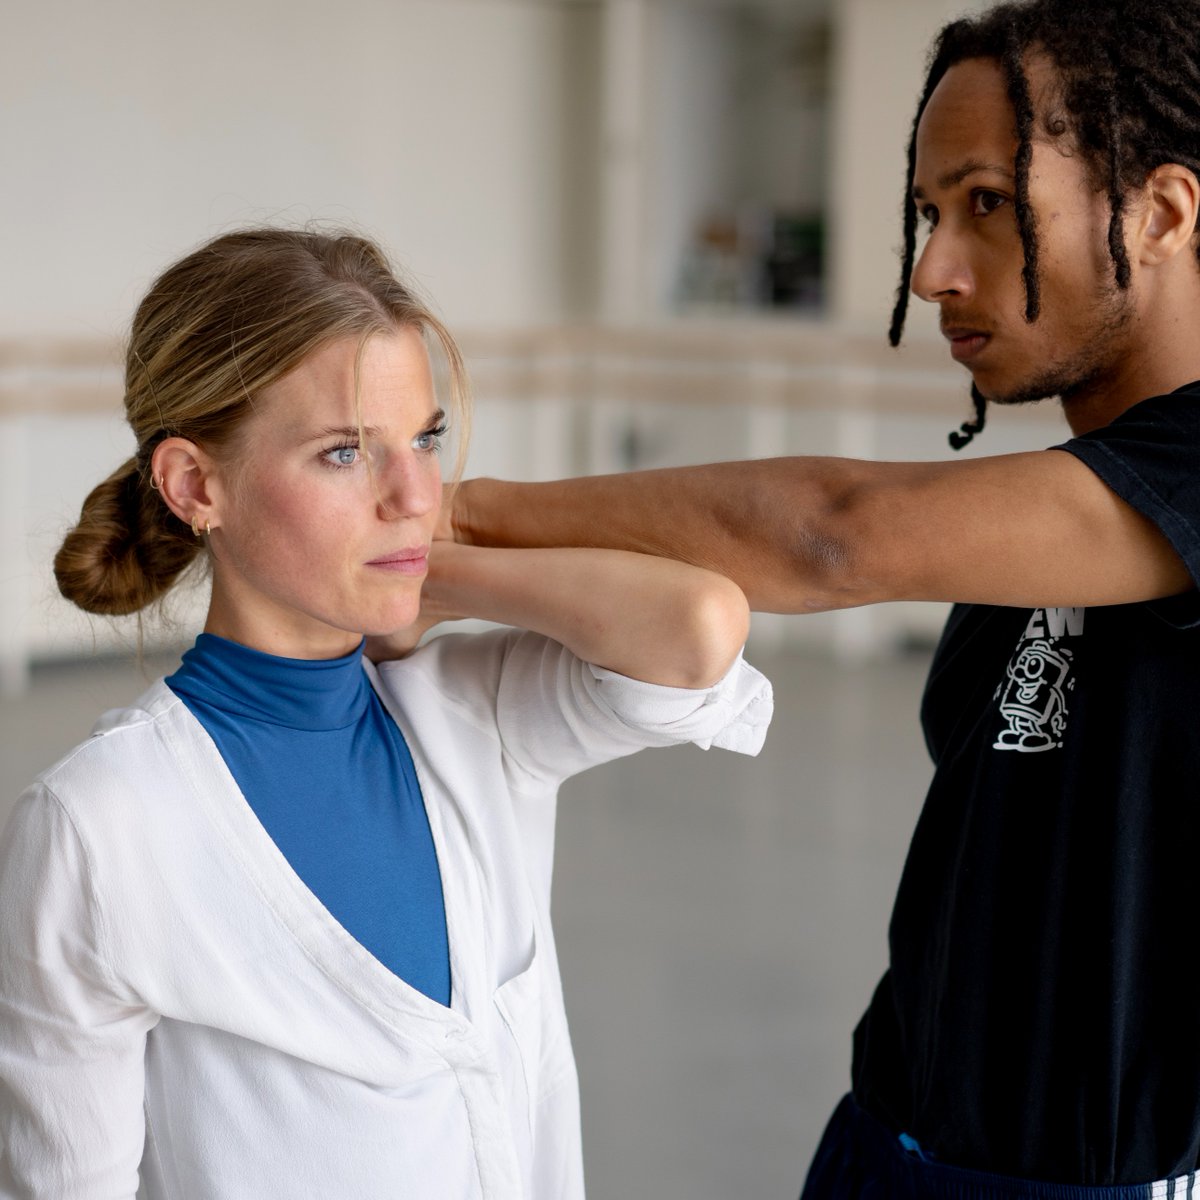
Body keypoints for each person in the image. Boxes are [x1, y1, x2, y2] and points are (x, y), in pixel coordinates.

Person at [438, 1, 1200, 1195]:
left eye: (987, 204)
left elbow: (836, 538)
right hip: (886, 1137)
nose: (934, 270)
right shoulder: (1058, 500)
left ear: (1160, 213)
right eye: (929, 214)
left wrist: (454, 518)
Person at [0, 228, 772, 1199]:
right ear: (197, 485)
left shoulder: (474, 716)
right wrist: (393, 572)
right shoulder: (100, 827)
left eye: (426, 439)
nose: (413, 495)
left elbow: (699, 628)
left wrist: (426, 571)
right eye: (342, 454)